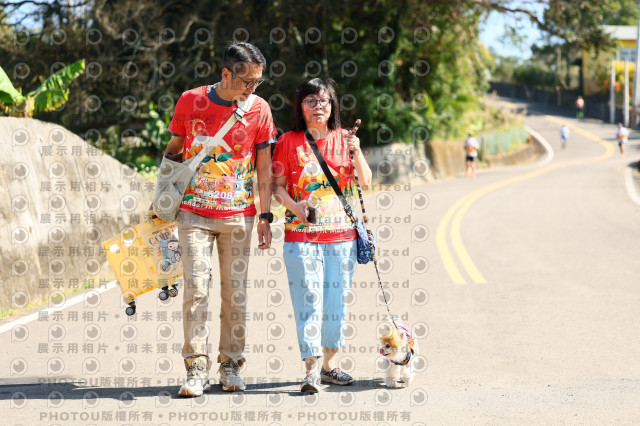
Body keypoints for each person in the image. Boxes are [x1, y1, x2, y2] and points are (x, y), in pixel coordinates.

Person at [161, 42, 277, 397]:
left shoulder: (259, 109)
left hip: (238, 217)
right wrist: (163, 197)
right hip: (193, 213)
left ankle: (231, 364)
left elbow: (264, 166)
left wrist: (265, 214)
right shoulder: (190, 101)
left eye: (257, 81)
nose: (252, 88)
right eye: (246, 81)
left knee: (235, 293)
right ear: (226, 73)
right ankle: (196, 367)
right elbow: (173, 151)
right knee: (197, 289)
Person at [272, 78, 372, 393]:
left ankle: (329, 365)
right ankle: (311, 370)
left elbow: (366, 182)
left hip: (341, 238)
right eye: (311, 101)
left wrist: (357, 152)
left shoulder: (346, 138)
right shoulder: (287, 141)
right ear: (300, 106)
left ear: (333, 106)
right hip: (301, 237)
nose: (319, 106)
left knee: (335, 303)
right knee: (309, 301)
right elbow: (276, 188)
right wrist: (294, 206)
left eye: (324, 100)